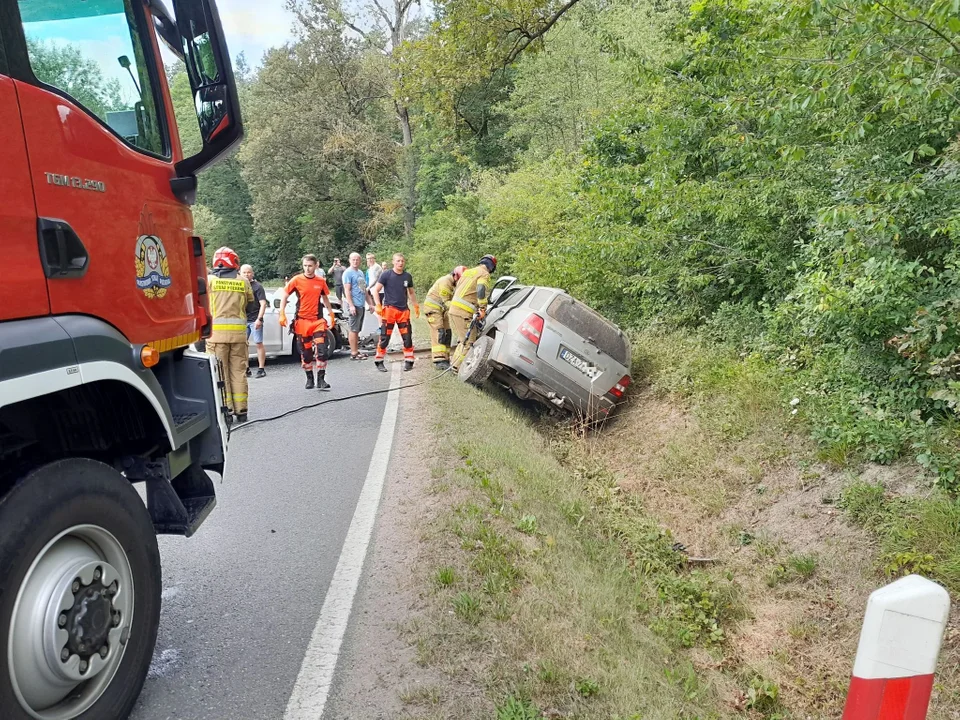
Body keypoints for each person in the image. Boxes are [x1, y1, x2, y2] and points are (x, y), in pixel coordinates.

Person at [207, 247, 255, 422]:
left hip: (216, 338)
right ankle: (242, 410)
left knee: (221, 373)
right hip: (238, 338)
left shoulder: (209, 281)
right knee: (238, 372)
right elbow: (251, 306)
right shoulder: (243, 282)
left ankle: (226, 410)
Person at [278, 254, 336, 390]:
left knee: (322, 350)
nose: (307, 268)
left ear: (316, 266)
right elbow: (285, 295)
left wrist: (331, 313)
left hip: (317, 321)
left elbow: (325, 298)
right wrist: (282, 312)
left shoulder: (320, 281)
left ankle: (321, 379)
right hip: (302, 322)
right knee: (306, 352)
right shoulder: (297, 280)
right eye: (305, 266)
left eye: (310, 266)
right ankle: (309, 378)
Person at [370, 253, 419, 373]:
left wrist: (415, 305)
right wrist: (378, 305)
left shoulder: (407, 276)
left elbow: (411, 292)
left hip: (403, 311)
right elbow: (375, 290)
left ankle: (409, 360)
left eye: (402, 261)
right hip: (389, 310)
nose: (400, 263)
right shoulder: (386, 274)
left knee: (407, 337)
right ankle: (379, 360)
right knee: (385, 337)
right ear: (393, 262)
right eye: (398, 261)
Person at [449, 254, 497, 372]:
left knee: (462, 340)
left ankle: (454, 365)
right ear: (492, 267)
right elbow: (480, 289)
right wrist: (482, 308)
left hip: (454, 309)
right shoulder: (484, 274)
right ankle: (458, 368)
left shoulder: (468, 272)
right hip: (463, 312)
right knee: (469, 342)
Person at [424, 265, 466, 370]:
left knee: (447, 333)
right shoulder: (446, 281)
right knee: (439, 332)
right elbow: (446, 301)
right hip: (433, 309)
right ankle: (439, 359)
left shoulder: (453, 284)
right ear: (455, 275)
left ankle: (445, 358)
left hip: (442, 311)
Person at [240, 264, 268, 378]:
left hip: (254, 319)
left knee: (258, 343)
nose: (247, 275)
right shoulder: (239, 285)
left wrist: (259, 319)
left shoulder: (257, 287)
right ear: (240, 273)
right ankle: (246, 368)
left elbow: (263, 303)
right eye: (244, 272)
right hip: (242, 320)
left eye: (249, 272)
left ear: (253, 273)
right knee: (242, 345)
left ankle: (261, 369)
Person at [342, 252, 370, 361]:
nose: (355, 261)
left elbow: (364, 289)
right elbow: (347, 290)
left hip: (361, 304)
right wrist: (351, 305)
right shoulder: (347, 273)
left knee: (357, 329)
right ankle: (353, 353)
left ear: (360, 261)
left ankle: (356, 350)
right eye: (353, 259)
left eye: (357, 259)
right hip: (354, 305)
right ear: (349, 260)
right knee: (353, 329)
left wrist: (370, 303)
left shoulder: (360, 273)